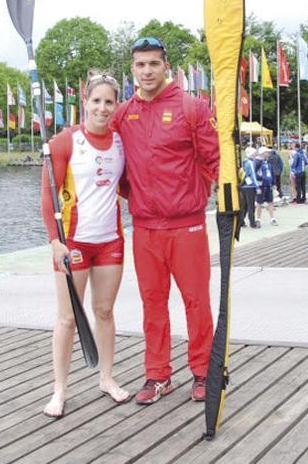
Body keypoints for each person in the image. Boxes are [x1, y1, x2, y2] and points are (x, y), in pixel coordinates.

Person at [110, 37, 219, 405]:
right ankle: (158, 376)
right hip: (145, 229)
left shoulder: (192, 107)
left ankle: (204, 372)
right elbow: (112, 165)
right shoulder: (124, 113)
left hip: (187, 225)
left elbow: (214, 159)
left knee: (196, 302)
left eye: (153, 64)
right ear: (132, 70)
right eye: (140, 65)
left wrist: (229, 201)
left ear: (165, 66)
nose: (146, 71)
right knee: (152, 304)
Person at [39, 72, 130, 418]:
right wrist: (53, 241)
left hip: (110, 242)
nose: (103, 108)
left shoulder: (121, 141)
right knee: (67, 319)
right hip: (72, 243)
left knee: (104, 312)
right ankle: (59, 389)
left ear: (115, 105)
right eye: (96, 101)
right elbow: (47, 195)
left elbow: (127, 186)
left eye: (109, 102)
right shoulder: (65, 141)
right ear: (85, 103)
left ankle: (106, 378)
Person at [255, 146, 278, 225]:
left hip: (269, 184)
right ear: (262, 153)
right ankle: (258, 219)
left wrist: (274, 183)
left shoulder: (268, 162)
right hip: (261, 185)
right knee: (259, 203)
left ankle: (272, 219)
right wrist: (261, 178)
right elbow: (254, 174)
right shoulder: (257, 162)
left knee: (270, 202)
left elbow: (272, 173)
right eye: (266, 152)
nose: (268, 154)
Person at [240, 146, 260, 228]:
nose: (256, 155)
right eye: (255, 154)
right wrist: (257, 187)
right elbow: (253, 176)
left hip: (244, 186)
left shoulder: (244, 162)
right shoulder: (250, 163)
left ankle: (241, 222)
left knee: (244, 205)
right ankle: (252, 223)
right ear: (251, 154)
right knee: (251, 205)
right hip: (250, 187)